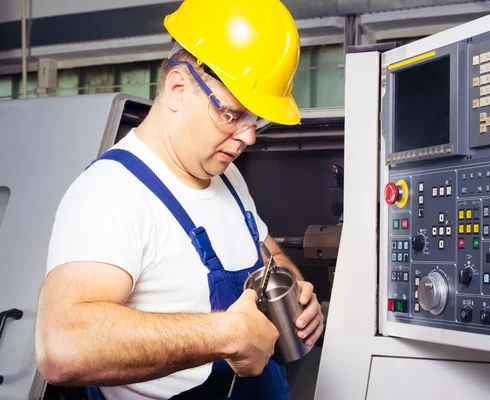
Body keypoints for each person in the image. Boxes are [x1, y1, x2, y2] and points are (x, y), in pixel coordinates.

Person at [34, 1, 324, 399]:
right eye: (232, 114)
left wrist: (297, 288)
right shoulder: (110, 193)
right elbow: (60, 346)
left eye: (257, 120)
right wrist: (224, 335)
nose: (249, 136)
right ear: (177, 89)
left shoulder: (226, 173)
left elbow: (261, 247)